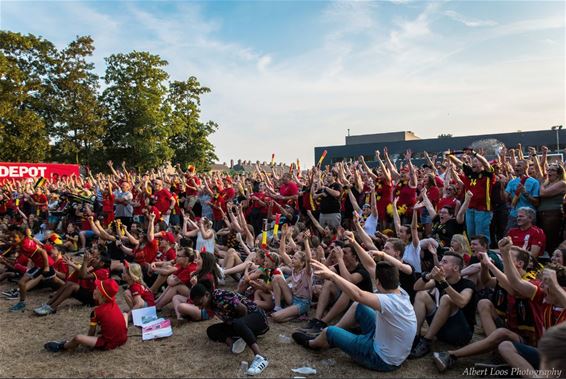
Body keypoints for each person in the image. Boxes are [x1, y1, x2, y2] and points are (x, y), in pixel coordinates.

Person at [292, 260, 417, 372]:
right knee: (359, 306)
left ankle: (313, 343)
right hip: (389, 346)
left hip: (381, 359)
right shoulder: (401, 292)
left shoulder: (388, 301)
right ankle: (332, 337)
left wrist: (332, 276)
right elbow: (371, 266)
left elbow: (358, 294)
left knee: (330, 331)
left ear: (377, 282)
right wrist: (354, 242)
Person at [189, 283, 270, 376]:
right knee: (211, 330)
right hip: (240, 322)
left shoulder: (220, 296)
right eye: (197, 305)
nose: (200, 307)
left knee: (237, 323)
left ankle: (260, 357)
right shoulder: (210, 303)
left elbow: (243, 309)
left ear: (207, 294)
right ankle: (234, 343)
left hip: (257, 318)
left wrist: (240, 326)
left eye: (200, 303)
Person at [410, 252, 477, 358]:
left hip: (460, 334)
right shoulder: (439, 281)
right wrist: (428, 276)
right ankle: (415, 337)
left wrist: (442, 281)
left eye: (444, 262)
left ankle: (426, 341)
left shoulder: (468, 285)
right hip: (442, 329)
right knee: (421, 294)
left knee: (446, 299)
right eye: (441, 261)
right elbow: (416, 287)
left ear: (455, 268)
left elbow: (462, 302)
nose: (440, 264)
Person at [44, 278, 127, 352]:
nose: (94, 290)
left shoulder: (96, 311)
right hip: (123, 339)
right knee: (124, 315)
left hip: (108, 343)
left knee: (78, 338)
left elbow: (91, 333)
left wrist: (88, 341)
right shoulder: (114, 304)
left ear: (102, 295)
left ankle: (62, 346)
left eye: (97, 289)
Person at [8, 225, 64, 312]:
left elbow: (43, 251)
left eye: (14, 237)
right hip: (39, 265)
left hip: (44, 265)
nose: (13, 239)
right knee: (54, 280)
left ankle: (70, 290)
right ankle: (22, 303)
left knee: (55, 280)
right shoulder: (25, 240)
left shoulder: (26, 245)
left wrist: (46, 267)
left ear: (21, 235)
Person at [448, 150, 495, 245]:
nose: (473, 163)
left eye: (476, 161)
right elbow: (458, 163)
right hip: (469, 209)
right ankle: (474, 254)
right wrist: (450, 155)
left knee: (481, 235)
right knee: (471, 235)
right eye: (473, 161)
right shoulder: (469, 172)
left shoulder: (487, 173)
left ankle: (485, 254)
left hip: (483, 209)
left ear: (481, 164)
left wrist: (474, 153)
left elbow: (486, 163)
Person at [270, 226, 313, 322]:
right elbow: (282, 252)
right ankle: (277, 307)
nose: (292, 259)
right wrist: (284, 235)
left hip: (303, 302)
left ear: (302, 263)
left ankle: (298, 314)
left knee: (275, 317)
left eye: (295, 258)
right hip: (293, 297)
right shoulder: (294, 268)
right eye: (292, 257)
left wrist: (306, 241)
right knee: (277, 277)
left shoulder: (307, 272)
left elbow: (309, 260)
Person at [537, 163, 566, 253]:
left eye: (552, 170)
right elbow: (538, 171)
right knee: (543, 239)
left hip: (553, 215)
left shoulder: (562, 183)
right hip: (542, 214)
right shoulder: (547, 183)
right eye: (548, 170)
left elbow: (543, 193)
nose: (549, 171)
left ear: (559, 173)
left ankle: (554, 261)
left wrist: (541, 184)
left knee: (551, 240)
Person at [505, 160, 540, 229]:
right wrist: (501, 185)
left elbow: (536, 202)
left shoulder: (534, 182)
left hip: (529, 216)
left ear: (526, 167)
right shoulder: (512, 182)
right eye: (515, 166)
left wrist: (525, 193)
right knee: (510, 236)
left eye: (519, 166)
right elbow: (505, 198)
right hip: (514, 215)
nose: (515, 168)